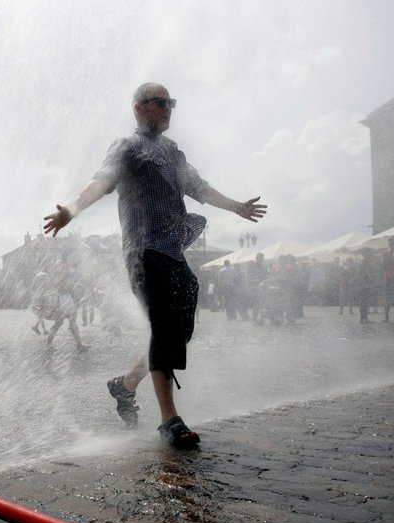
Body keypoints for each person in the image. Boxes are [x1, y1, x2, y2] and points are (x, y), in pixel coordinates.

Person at [43, 82, 266, 446]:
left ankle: (125, 384)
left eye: (170, 103)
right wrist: (70, 210)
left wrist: (238, 207)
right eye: (159, 102)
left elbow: (201, 189)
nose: (166, 109)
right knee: (165, 328)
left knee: (179, 331)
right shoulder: (127, 146)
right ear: (138, 108)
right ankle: (169, 420)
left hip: (173, 251)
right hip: (144, 251)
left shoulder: (171, 151)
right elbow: (101, 182)